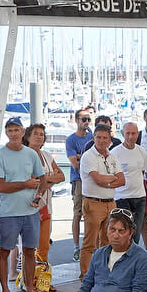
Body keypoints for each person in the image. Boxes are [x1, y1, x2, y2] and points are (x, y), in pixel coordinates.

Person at [0, 117, 51, 292]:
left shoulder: (31, 154)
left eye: (16, 130)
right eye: (10, 130)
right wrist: (25, 184)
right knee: (4, 251)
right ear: (6, 133)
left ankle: (30, 290)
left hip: (30, 212)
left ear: (23, 132)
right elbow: (0, 186)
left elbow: (43, 179)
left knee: (30, 251)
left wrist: (38, 196)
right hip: (9, 213)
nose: (13, 134)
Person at [79, 124, 125, 273]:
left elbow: (122, 180)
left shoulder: (112, 157)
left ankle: (103, 274)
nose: (101, 140)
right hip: (93, 203)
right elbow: (98, 179)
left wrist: (107, 181)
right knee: (90, 243)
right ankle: (85, 276)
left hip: (111, 204)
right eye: (98, 137)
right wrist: (112, 178)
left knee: (108, 241)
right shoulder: (88, 156)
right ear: (93, 138)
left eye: (105, 138)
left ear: (110, 140)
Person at [26, 122, 64, 271]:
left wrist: (44, 180)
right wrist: (50, 179)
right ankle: (28, 278)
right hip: (30, 205)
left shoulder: (47, 155)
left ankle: (41, 277)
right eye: (35, 133)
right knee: (29, 247)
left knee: (44, 245)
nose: (39, 137)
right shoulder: (24, 156)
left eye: (41, 134)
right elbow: (31, 181)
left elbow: (61, 176)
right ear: (28, 136)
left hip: (46, 206)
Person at [113, 121, 147, 244]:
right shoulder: (115, 152)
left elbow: (143, 171)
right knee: (124, 231)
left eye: (133, 133)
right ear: (122, 133)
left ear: (138, 134)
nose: (130, 136)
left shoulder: (142, 151)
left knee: (136, 232)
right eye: (128, 133)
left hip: (139, 196)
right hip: (122, 197)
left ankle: (133, 254)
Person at [65, 108, 94, 256]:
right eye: (83, 119)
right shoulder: (71, 140)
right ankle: (76, 246)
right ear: (76, 121)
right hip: (79, 180)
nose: (86, 122)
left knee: (92, 213)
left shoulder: (92, 137)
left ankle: (90, 245)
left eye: (88, 119)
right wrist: (84, 157)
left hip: (93, 180)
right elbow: (75, 164)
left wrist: (80, 156)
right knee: (78, 212)